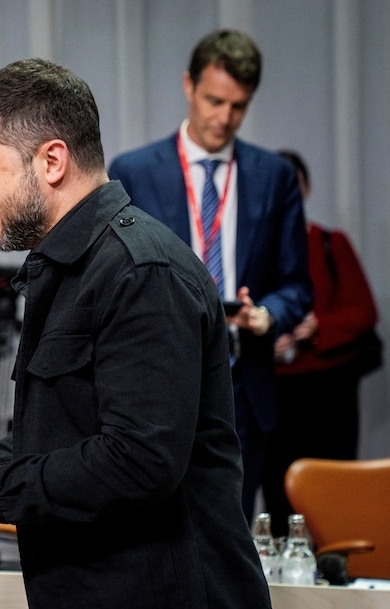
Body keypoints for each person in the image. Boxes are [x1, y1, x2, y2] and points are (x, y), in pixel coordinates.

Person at [0, 58, 282, 609]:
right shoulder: (70, 267)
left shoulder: (141, 271)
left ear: (52, 161)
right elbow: (62, 435)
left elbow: (137, 461)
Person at [108, 29, 312, 522]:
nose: (224, 117)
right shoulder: (135, 171)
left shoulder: (274, 176)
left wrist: (267, 316)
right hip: (159, 380)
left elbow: (297, 285)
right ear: (189, 85)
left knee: (231, 530)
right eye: (214, 101)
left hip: (243, 382)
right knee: (158, 532)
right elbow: (115, 277)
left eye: (238, 106)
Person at [262, 149, 379, 537]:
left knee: (336, 490)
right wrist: (266, 338)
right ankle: (285, 568)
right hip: (274, 389)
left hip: (329, 390)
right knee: (277, 492)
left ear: (305, 189)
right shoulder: (256, 251)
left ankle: (339, 563)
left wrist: (316, 325)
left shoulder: (330, 242)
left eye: (292, 184)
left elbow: (363, 312)